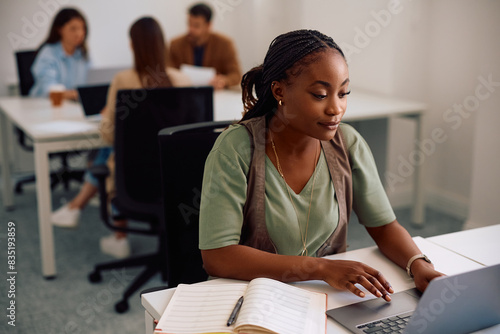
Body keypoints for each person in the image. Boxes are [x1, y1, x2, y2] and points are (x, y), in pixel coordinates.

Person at [199, 29, 444, 301]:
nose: (336, 108)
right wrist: (319, 267)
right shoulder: (236, 148)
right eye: (319, 94)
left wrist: (418, 265)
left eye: (343, 93)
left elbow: (384, 227)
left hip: (322, 298)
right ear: (279, 91)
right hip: (251, 298)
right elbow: (218, 256)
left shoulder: (347, 144)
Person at [51, 17, 190, 259]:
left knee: (111, 151)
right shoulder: (182, 80)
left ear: (133, 45)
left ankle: (105, 227)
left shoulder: (124, 80)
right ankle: (79, 210)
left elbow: (107, 135)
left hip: (135, 181)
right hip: (181, 181)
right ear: (162, 44)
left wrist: (107, 115)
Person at [168, 2, 241, 89]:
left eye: (196, 25)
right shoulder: (176, 44)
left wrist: (223, 81)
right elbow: (168, 72)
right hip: (184, 95)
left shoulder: (224, 44)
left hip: (217, 95)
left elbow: (236, 75)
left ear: (208, 25)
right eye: (189, 24)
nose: (191, 29)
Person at [30, 8, 90, 99]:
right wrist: (80, 94)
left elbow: (93, 80)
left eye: (82, 28)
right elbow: (50, 91)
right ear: (60, 29)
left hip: (72, 105)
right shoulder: (48, 53)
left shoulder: (82, 53)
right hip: (44, 105)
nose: (79, 33)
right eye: (73, 29)